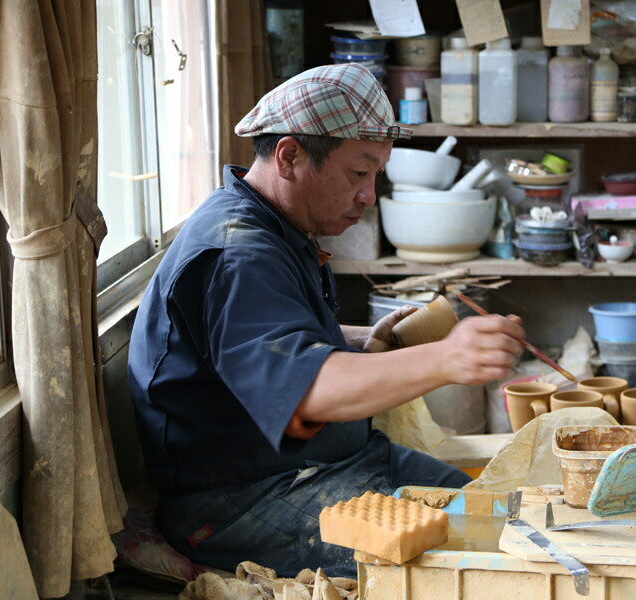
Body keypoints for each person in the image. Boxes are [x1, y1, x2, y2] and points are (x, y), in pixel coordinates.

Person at [127, 62, 525, 578]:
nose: (369, 195)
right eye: (359, 173)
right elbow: (306, 392)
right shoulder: (236, 253)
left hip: (332, 464)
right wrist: (446, 358)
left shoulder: (274, 225)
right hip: (245, 500)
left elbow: (254, 343)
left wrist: (361, 340)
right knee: (475, 565)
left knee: (506, 519)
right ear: (290, 156)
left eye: (375, 175)